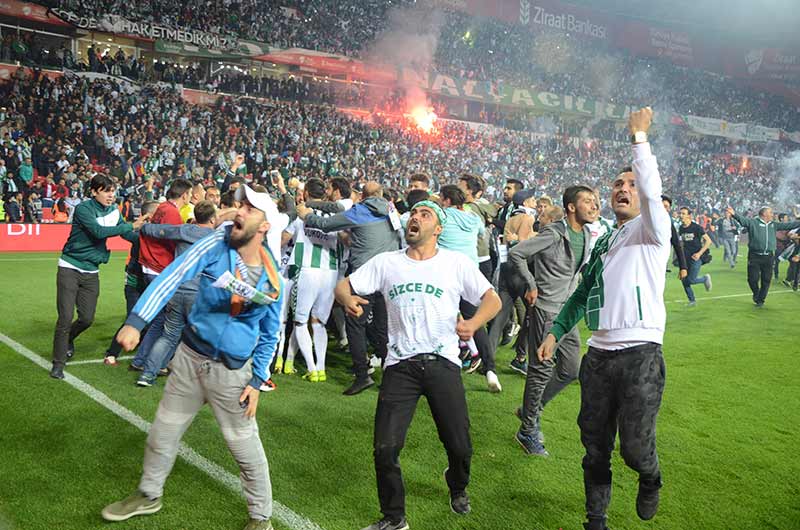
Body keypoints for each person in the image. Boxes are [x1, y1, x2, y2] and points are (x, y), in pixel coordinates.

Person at [102, 184, 283, 530]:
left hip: (232, 375)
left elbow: (270, 333)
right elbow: (174, 275)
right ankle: (148, 494)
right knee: (162, 433)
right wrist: (136, 322)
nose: (239, 211)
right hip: (187, 359)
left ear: (264, 226)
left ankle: (260, 519)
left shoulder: (273, 278)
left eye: (250, 209)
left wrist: (258, 380)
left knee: (244, 448)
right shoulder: (216, 242)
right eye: (239, 204)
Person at [537, 107, 670, 529]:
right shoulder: (606, 241)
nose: (623, 189)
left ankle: (650, 476)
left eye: (630, 183)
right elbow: (580, 295)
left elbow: (650, 190)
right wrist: (556, 332)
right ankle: (595, 519)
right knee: (594, 445)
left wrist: (639, 140)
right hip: (598, 357)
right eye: (617, 184)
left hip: (640, 355)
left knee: (634, 447)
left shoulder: (653, 229)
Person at [335, 200, 501, 530]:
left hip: (443, 363)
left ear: (438, 229)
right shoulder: (386, 263)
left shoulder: (456, 263)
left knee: (460, 445)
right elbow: (345, 285)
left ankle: (457, 484)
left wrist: (473, 323)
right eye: (414, 214)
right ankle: (394, 518)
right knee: (385, 448)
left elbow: (492, 299)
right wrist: (346, 298)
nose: (416, 217)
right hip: (400, 365)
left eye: (425, 215)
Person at [509, 185, 595, 456]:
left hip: (567, 312)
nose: (594, 206)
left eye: (595, 201)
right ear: (571, 207)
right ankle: (527, 430)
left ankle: (529, 410)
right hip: (546, 309)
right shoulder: (554, 233)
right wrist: (531, 284)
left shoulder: (587, 234)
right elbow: (517, 253)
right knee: (541, 370)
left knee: (570, 370)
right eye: (587, 202)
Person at [298, 181, 401, 395]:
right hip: (388, 276)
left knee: (355, 325)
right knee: (382, 328)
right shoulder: (391, 210)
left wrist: (306, 214)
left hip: (363, 276)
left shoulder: (360, 211)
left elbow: (325, 225)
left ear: (361, 196)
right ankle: (392, 375)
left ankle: (362, 375)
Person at [50, 175, 149, 379]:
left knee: (86, 319)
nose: (111, 195)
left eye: (112, 191)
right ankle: (58, 364)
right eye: (105, 191)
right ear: (94, 192)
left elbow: (128, 235)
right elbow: (98, 232)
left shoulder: (114, 211)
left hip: (92, 271)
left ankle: (68, 339)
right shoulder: (84, 209)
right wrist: (131, 225)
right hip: (70, 267)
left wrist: (149, 236)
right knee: (66, 317)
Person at [134, 200, 218, 386]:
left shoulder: (184, 230)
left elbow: (158, 231)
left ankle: (147, 374)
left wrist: (144, 225)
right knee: (203, 337)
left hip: (176, 290)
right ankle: (201, 379)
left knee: (169, 335)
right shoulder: (217, 238)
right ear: (213, 219)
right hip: (198, 294)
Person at [437, 185, 498, 391]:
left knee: (442, 316)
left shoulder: (443, 215)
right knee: (474, 321)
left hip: (447, 272)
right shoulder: (473, 217)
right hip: (471, 272)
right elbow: (482, 233)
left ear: (446, 200)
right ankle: (490, 369)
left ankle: (449, 362)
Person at [282, 178, 340, 382]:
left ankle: (311, 368)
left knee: (300, 322)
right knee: (319, 322)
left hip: (306, 270)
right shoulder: (336, 215)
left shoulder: (301, 212)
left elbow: (284, 239)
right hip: (331, 272)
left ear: (305, 193)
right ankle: (321, 368)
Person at [728, 206, 800, 307]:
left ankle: (760, 300)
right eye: (771, 213)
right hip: (754, 256)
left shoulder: (773, 224)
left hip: (769, 257)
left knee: (766, 279)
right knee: (752, 279)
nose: (773, 214)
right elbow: (743, 221)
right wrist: (734, 214)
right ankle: (756, 294)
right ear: (764, 214)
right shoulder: (753, 222)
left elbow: (789, 225)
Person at [678, 207, 713, 306]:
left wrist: (699, 254)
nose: (681, 215)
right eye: (680, 213)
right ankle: (692, 301)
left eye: (683, 213)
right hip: (686, 257)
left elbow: (708, 241)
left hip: (696, 257)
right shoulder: (681, 228)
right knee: (684, 279)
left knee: (691, 280)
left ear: (689, 215)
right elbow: (682, 243)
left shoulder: (696, 227)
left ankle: (704, 279)